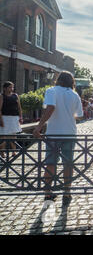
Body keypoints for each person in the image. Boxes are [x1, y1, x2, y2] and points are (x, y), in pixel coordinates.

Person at [33, 72, 84, 205]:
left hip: (54, 133)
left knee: (50, 163)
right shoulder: (75, 94)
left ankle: (48, 192)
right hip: (69, 132)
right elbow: (79, 115)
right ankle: (67, 192)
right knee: (68, 163)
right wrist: (67, 113)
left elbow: (50, 108)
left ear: (58, 80)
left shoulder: (51, 91)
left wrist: (39, 127)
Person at [0, 82, 23, 158]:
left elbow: (19, 108)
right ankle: (2, 152)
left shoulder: (15, 95)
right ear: (5, 88)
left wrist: (21, 117)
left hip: (14, 118)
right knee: (4, 135)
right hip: (5, 117)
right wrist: (1, 120)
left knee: (14, 135)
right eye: (10, 87)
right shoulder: (2, 96)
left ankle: (14, 152)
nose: (11, 89)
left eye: (12, 87)